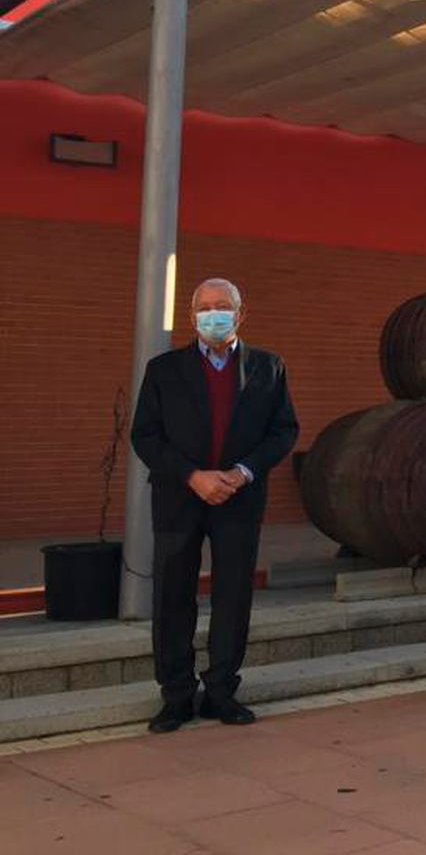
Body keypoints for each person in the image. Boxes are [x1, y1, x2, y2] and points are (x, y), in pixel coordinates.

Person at [132, 278, 298, 732]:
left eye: (222, 306)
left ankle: (222, 691)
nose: (213, 314)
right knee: (173, 596)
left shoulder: (269, 367)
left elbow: (284, 431)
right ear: (191, 316)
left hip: (238, 498)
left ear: (241, 314)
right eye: (204, 307)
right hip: (179, 498)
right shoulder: (163, 370)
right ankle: (176, 695)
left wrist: (243, 472)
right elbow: (145, 434)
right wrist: (192, 475)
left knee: (233, 595)